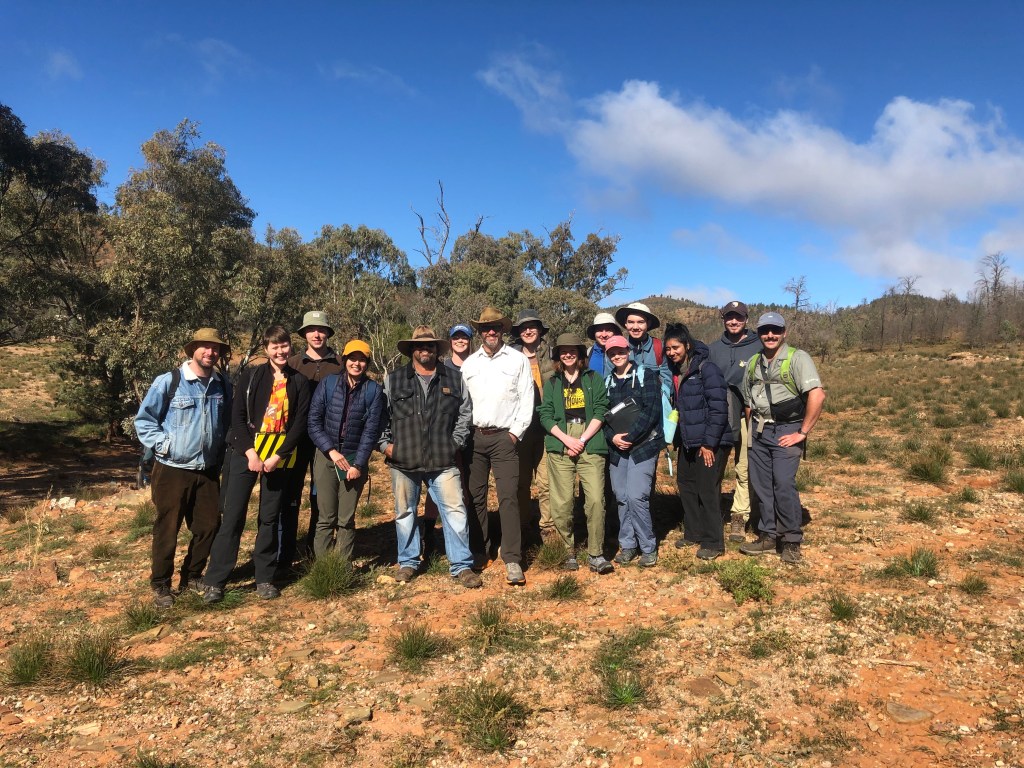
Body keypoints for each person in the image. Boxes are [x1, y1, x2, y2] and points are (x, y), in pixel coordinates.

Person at [203, 325, 311, 603]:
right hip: (246, 452)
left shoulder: (299, 381)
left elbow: (299, 425)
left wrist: (278, 457)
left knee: (269, 517)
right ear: (266, 349)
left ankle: (264, 578)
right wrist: (250, 453)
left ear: (290, 346)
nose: (280, 351)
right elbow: (237, 418)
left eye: (284, 345)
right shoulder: (251, 376)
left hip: (280, 455)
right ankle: (216, 580)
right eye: (275, 347)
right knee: (233, 516)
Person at [135, 328, 232, 608]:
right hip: (172, 470)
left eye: (215, 348)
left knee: (209, 526)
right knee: (168, 527)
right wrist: (164, 445)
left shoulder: (222, 384)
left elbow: (226, 423)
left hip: (208, 470)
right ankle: (161, 585)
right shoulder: (170, 382)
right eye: (204, 347)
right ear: (193, 350)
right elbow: (144, 421)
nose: (210, 352)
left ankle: (191, 577)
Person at [378, 326, 482, 588]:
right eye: (420, 346)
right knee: (405, 513)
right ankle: (409, 562)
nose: (425, 350)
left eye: (431, 346)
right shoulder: (394, 379)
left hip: (442, 459)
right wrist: (386, 446)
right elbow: (381, 416)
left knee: (455, 510)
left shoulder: (454, 378)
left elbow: (465, 414)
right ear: (412, 350)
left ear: (437, 349)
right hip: (404, 459)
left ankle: (461, 566)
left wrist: (455, 443)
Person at [739, 312, 825, 564]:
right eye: (765, 331)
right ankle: (767, 534)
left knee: (784, 484)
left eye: (775, 331)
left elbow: (817, 396)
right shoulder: (754, 362)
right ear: (759, 334)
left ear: (784, 332)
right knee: (762, 485)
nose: (770, 335)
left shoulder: (798, 358)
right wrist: (752, 428)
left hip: (788, 429)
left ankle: (791, 540)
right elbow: (747, 401)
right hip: (759, 431)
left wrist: (802, 432)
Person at [461, 306, 535, 586]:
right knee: (475, 496)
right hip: (475, 438)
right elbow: (462, 403)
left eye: (495, 327)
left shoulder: (517, 360)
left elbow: (527, 400)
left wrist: (514, 434)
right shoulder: (470, 364)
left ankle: (513, 558)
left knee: (508, 497)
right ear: (479, 332)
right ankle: (480, 551)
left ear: (503, 330)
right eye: (485, 328)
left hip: (505, 438)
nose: (490, 332)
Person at [538, 333, 613, 574]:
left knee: (594, 500)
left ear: (581, 354)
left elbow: (601, 410)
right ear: (558, 356)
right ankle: (568, 551)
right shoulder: (552, 382)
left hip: (590, 440)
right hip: (560, 441)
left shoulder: (594, 379)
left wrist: (581, 439)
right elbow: (545, 414)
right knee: (562, 502)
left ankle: (596, 553)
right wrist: (566, 439)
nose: (568, 354)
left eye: (573, 350)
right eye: (563, 351)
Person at [306, 339, 384, 560]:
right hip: (326, 456)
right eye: (352, 358)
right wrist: (331, 450)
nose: (356, 364)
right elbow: (313, 421)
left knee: (346, 519)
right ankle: (323, 569)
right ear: (344, 359)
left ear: (367, 363)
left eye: (361, 359)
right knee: (325, 517)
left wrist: (358, 464)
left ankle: (342, 567)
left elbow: (371, 431)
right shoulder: (328, 384)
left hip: (353, 460)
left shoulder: (373, 391)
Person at [663, 323, 732, 560]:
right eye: (668, 348)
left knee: (707, 489)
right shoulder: (677, 372)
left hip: (710, 442)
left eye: (676, 347)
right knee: (687, 485)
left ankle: (714, 542)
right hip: (688, 441)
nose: (672, 352)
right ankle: (694, 532)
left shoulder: (706, 368)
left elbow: (718, 408)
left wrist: (709, 443)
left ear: (687, 345)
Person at [285, 311, 343, 564]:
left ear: (328, 334)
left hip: (327, 441)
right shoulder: (292, 364)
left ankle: (315, 548)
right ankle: (285, 551)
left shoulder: (340, 365)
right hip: (296, 439)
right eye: (311, 330)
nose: (317, 334)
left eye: (321, 330)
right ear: (304, 334)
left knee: (321, 494)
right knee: (291, 493)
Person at [602, 335, 663, 567]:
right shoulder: (607, 382)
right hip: (618, 449)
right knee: (621, 497)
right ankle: (628, 545)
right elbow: (602, 417)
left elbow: (652, 410)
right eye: (611, 353)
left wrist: (630, 436)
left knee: (637, 496)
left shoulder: (646, 375)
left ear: (628, 351)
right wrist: (613, 437)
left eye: (620, 351)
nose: (617, 355)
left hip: (644, 446)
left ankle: (648, 547)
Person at [707, 301, 763, 542]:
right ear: (723, 319)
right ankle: (711, 512)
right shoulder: (713, 349)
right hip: (718, 416)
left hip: (747, 416)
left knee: (744, 467)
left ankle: (739, 516)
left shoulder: (759, 346)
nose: (733, 321)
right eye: (729, 317)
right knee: (714, 467)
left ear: (746, 320)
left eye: (738, 318)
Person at [509, 308, 555, 539]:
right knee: (520, 482)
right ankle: (523, 525)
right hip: (520, 430)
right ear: (518, 332)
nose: (528, 330)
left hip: (547, 430)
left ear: (539, 330)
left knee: (546, 482)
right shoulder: (509, 356)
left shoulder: (552, 355)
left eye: (532, 326)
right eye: (523, 327)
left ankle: (548, 528)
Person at [614, 302, 672, 398]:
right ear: (625, 324)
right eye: (631, 322)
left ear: (648, 323)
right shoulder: (616, 349)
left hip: (655, 405)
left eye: (640, 322)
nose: (635, 327)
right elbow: (609, 382)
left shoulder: (659, 347)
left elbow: (667, 382)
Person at [586, 312, 622, 376]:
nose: (604, 335)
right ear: (594, 333)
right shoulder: (588, 354)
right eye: (599, 330)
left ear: (615, 332)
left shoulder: (623, 354)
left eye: (608, 330)